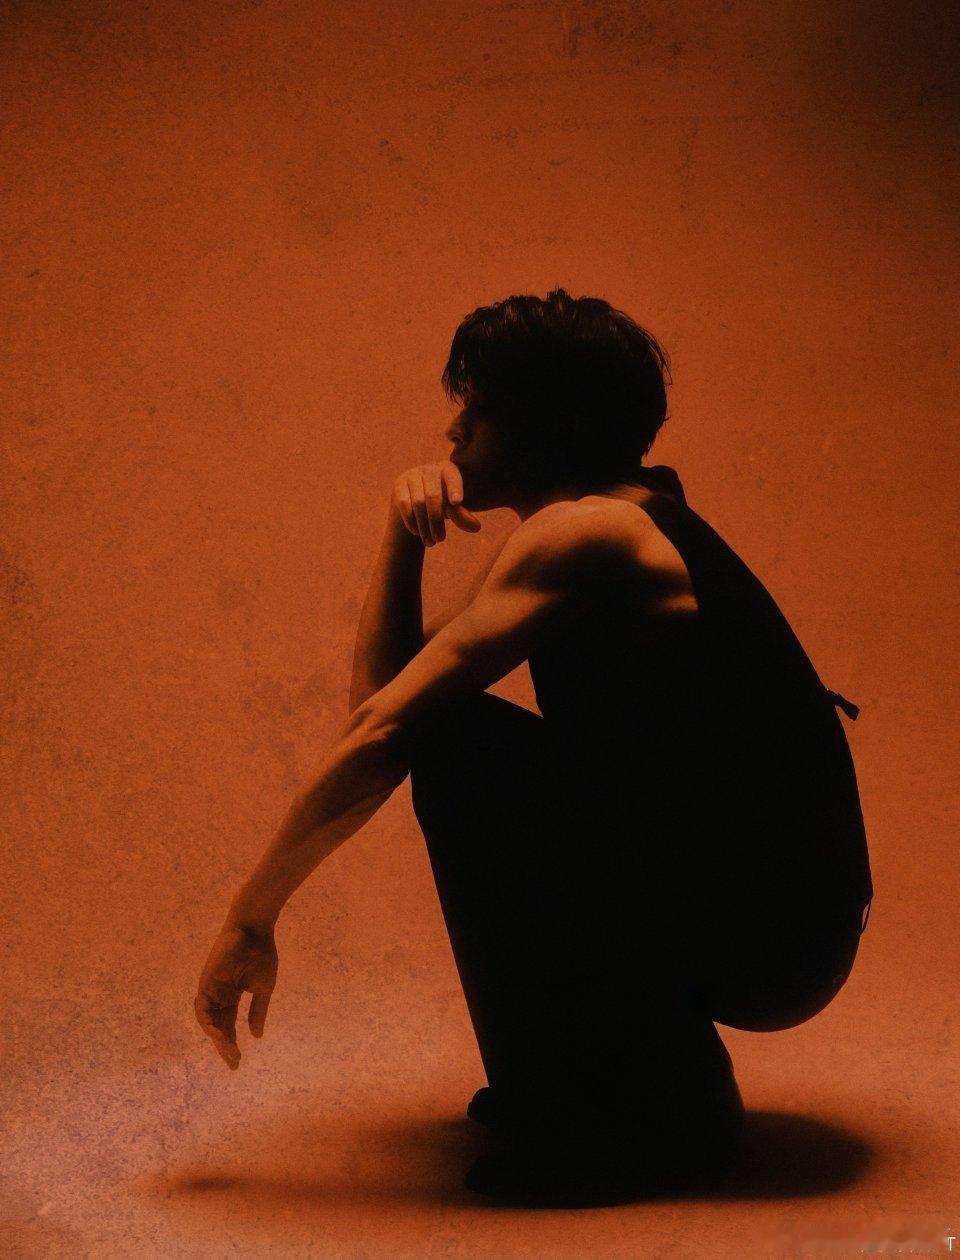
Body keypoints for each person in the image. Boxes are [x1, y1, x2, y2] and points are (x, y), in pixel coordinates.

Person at [195, 289, 874, 1206]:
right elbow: (385, 700)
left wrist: (251, 918)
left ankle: (652, 1125)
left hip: (774, 938)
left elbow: (385, 730)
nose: (453, 430)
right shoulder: (593, 517)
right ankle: (582, 1094)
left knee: (458, 754)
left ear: (553, 426)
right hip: (770, 912)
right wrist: (401, 533)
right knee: (454, 738)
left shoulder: (586, 534)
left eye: (477, 409)